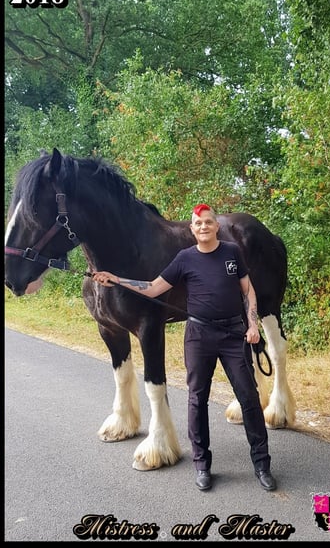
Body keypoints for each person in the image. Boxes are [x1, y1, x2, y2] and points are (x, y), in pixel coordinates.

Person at [91, 203, 276, 492]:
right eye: (198, 224)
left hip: (232, 334)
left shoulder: (232, 252)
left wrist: (253, 325)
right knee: (196, 401)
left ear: (215, 226)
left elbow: (248, 290)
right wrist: (116, 280)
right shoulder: (184, 258)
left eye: (208, 222)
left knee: (249, 398)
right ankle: (202, 465)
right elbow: (152, 288)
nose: (203, 227)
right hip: (199, 334)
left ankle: (262, 465)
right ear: (192, 229)